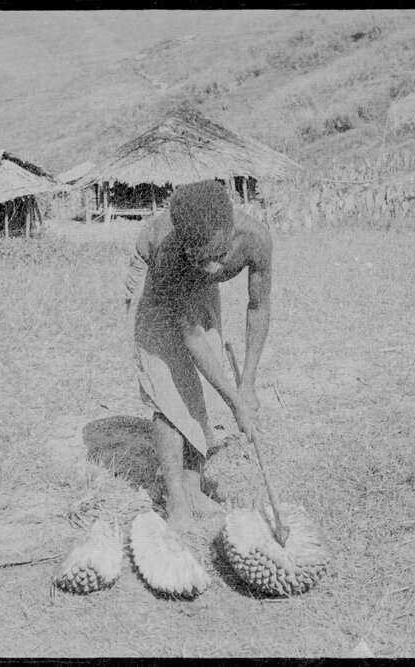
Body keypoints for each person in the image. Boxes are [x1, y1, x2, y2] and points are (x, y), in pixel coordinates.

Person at [123, 180, 272, 531]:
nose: (209, 266)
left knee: (205, 380)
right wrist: (235, 402)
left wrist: (247, 383)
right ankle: (176, 498)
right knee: (169, 382)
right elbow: (191, 338)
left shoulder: (256, 239)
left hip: (192, 285)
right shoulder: (173, 251)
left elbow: (259, 306)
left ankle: (193, 486)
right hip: (157, 275)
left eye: (216, 256)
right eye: (199, 257)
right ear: (186, 246)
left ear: (230, 231)